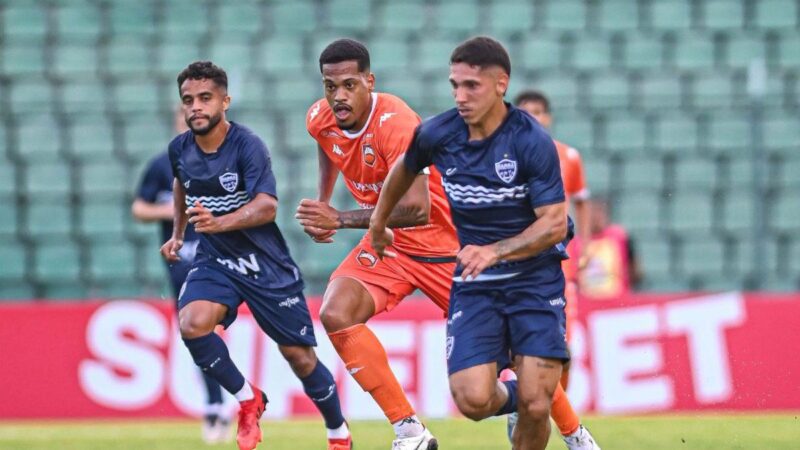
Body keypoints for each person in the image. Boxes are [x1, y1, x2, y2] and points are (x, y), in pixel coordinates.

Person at [368, 37, 600, 450]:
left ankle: (532, 401)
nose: (460, 96)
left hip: (535, 282)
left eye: (471, 85)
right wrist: (377, 223)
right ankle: (519, 401)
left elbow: (551, 225)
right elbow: (404, 169)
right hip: (478, 285)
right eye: (454, 85)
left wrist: (495, 250)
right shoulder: (438, 133)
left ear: (500, 84)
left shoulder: (531, 141)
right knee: (472, 400)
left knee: (536, 401)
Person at [160, 61, 350, 450]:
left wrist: (218, 222)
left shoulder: (247, 145)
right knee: (193, 323)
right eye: (188, 100)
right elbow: (181, 184)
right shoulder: (179, 148)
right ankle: (248, 398)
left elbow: (266, 207)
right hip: (217, 259)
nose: (195, 107)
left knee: (299, 357)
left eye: (205, 98)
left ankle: (338, 432)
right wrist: (179, 234)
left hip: (265, 262)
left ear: (225, 101)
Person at [298, 38, 457, 449]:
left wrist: (340, 218)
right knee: (336, 311)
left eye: (349, 85)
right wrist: (323, 201)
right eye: (330, 86)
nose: (338, 96)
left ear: (370, 81)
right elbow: (327, 144)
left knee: (507, 355)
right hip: (390, 245)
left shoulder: (398, 124)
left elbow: (417, 210)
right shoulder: (319, 117)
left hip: (444, 246)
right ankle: (409, 431)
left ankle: (574, 436)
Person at [132, 108, 231, 444]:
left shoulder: (223, 161)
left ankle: (221, 402)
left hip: (215, 254)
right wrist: (173, 210)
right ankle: (216, 402)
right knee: (196, 332)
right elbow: (139, 207)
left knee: (204, 326)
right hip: (179, 258)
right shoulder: (162, 165)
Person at [514, 90, 589, 391]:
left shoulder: (568, 157)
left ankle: (554, 410)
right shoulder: (501, 157)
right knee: (518, 350)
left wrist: (586, 245)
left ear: (548, 117)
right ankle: (524, 407)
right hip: (516, 263)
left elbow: (581, 201)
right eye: (525, 111)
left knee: (561, 351)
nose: (533, 117)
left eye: (538, 111)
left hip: (557, 266)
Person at [577, 197, 642, 299]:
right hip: (587, 303)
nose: (595, 217)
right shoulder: (577, 242)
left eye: (599, 212)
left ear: (606, 214)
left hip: (617, 300)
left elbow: (635, 269)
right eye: (592, 212)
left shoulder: (620, 236)